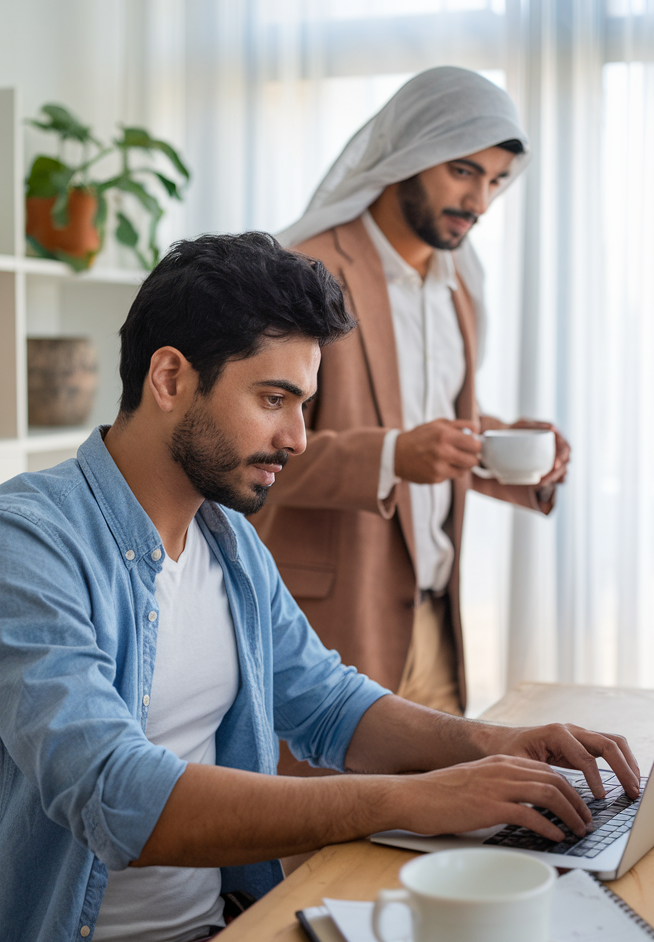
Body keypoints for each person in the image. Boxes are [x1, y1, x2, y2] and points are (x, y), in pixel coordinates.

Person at [0, 233, 635, 942]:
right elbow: (115, 793)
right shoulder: (18, 543)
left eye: (303, 404)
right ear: (169, 377)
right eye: (273, 399)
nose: (297, 437)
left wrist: (493, 746)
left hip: (229, 940)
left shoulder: (226, 539)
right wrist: (410, 800)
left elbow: (325, 704)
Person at [253, 67, 570, 725]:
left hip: (433, 624)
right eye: (463, 171)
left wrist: (509, 443)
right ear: (408, 154)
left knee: (444, 825)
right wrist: (394, 455)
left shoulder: (460, 288)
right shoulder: (304, 272)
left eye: (495, 181)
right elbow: (249, 447)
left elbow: (424, 425)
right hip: (323, 632)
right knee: (333, 828)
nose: (479, 200)